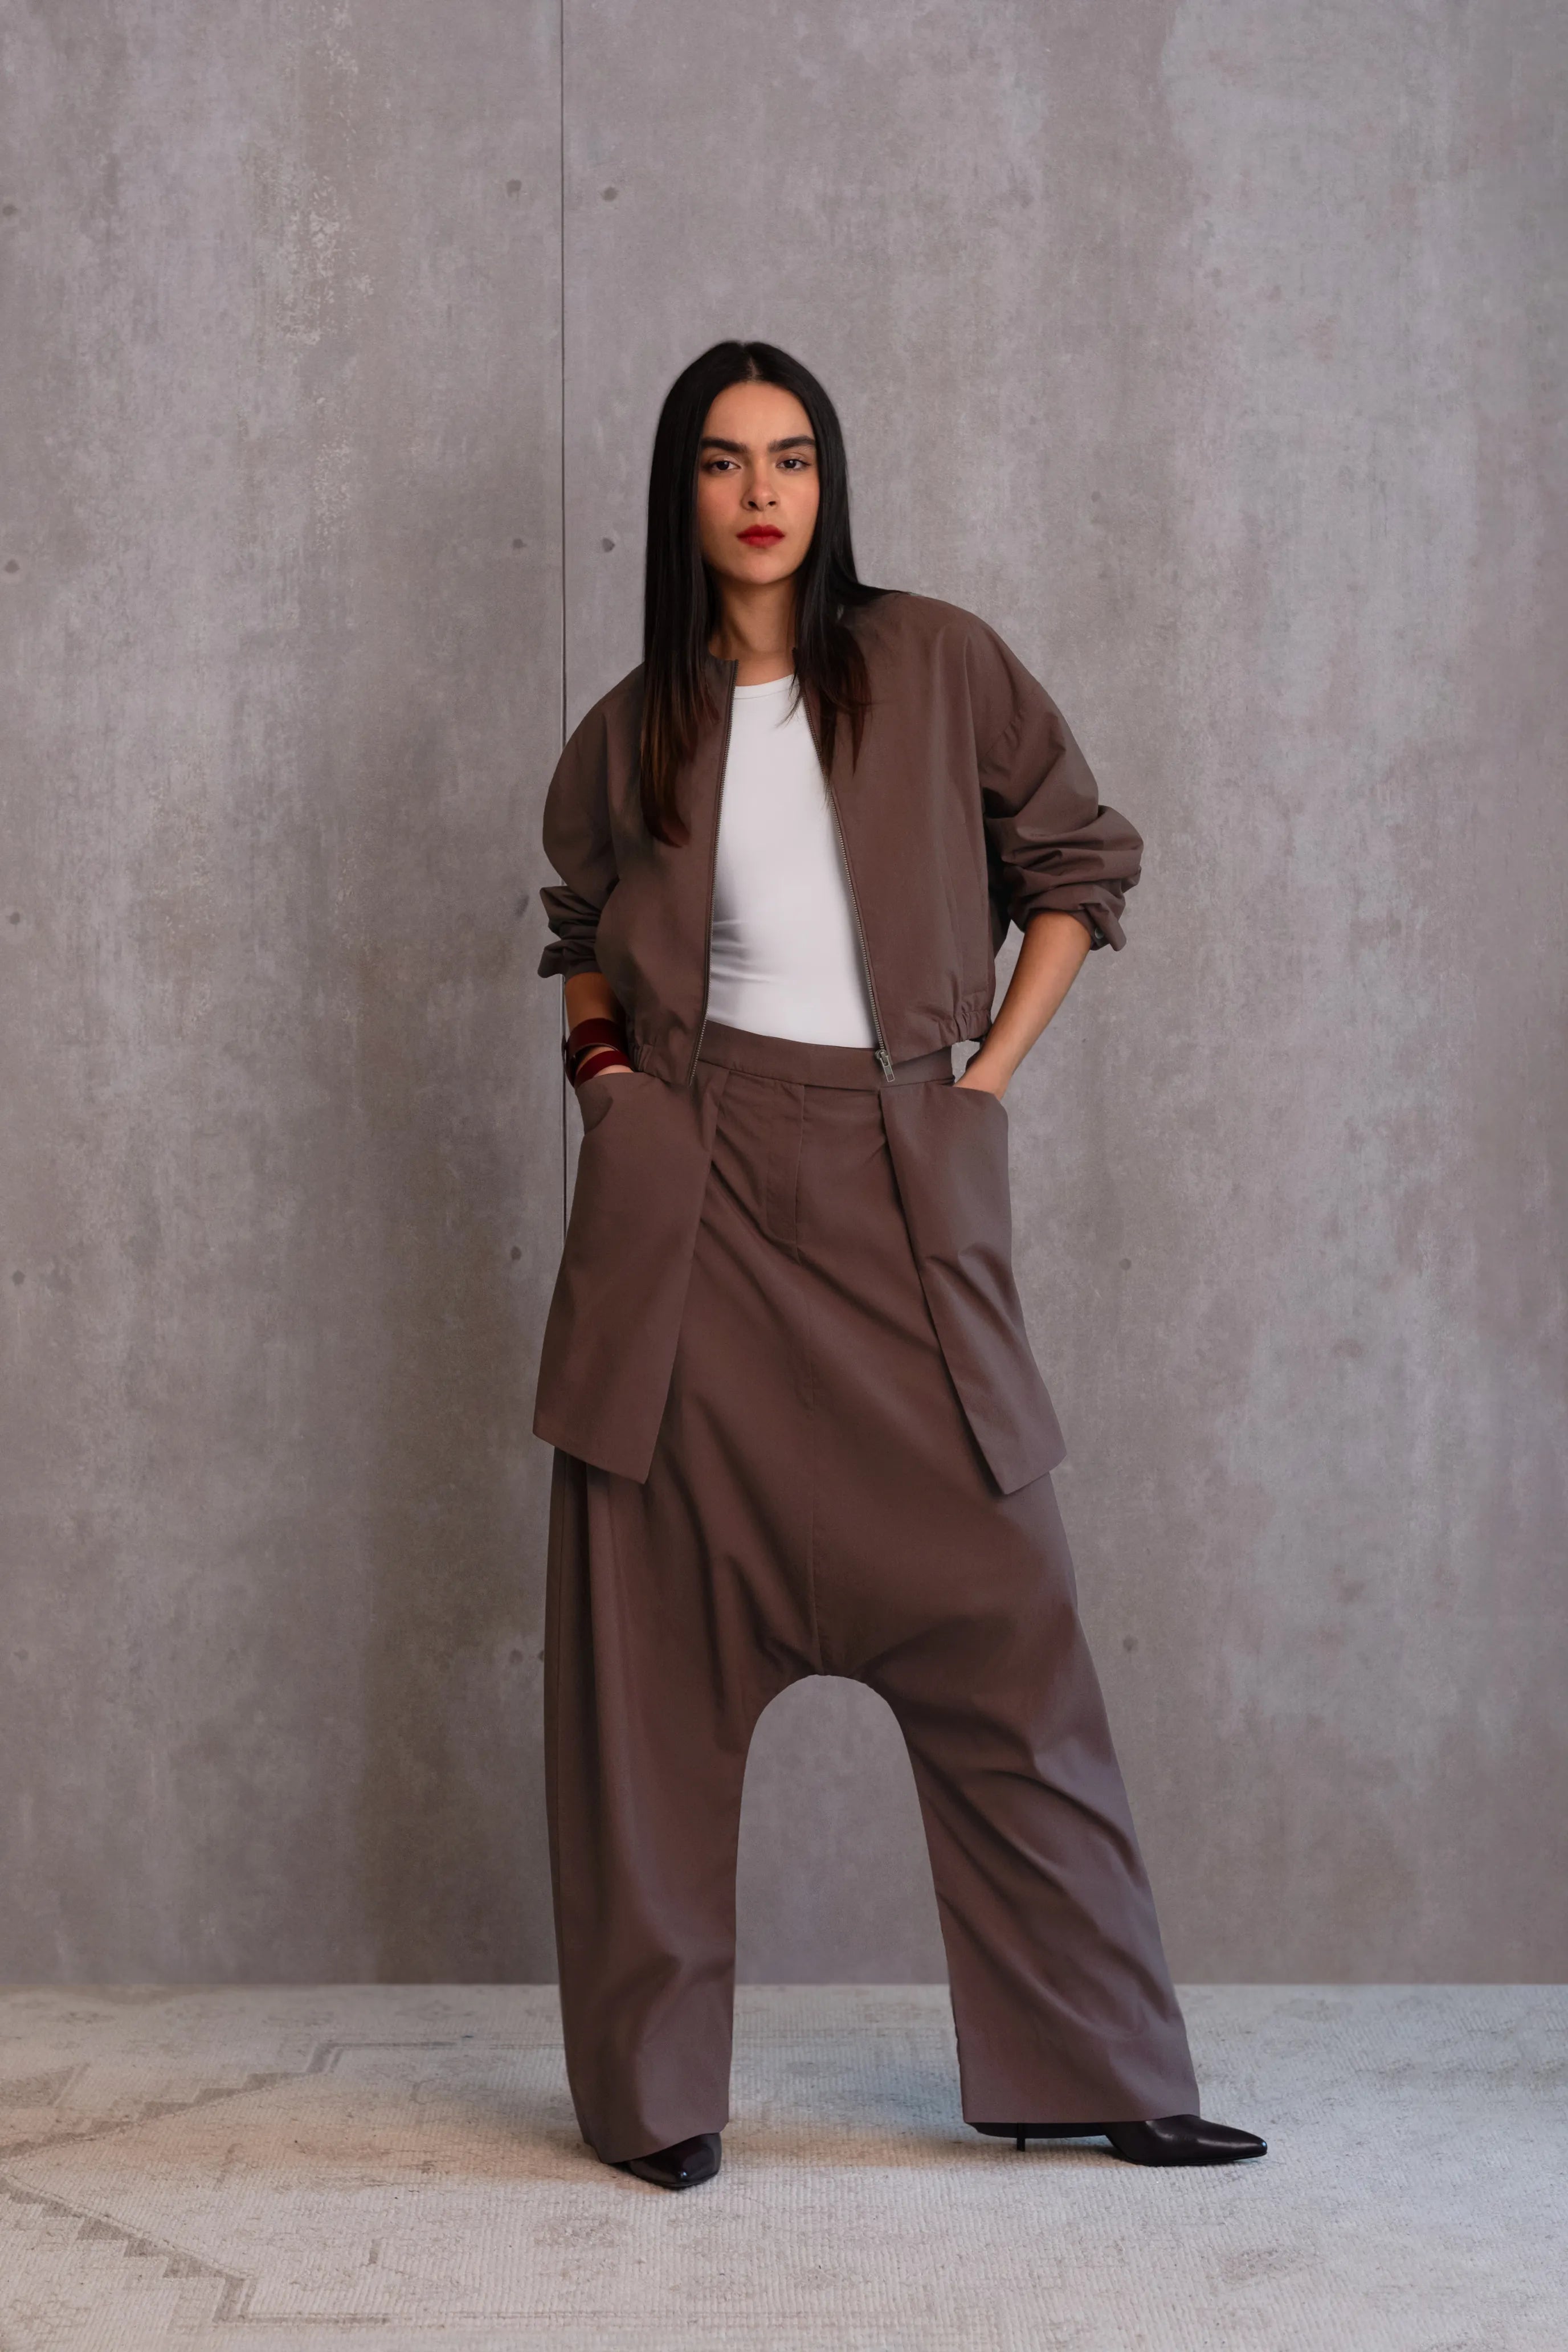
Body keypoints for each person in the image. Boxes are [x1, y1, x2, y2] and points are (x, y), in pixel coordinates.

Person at [534, 340, 1266, 2192]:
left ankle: (1092, 2066)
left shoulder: (938, 665)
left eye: (791, 457)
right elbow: (580, 927)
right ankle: (654, 2100)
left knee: (1008, 1621)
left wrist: (981, 1087)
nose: (761, 493)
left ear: (829, 480)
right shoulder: (633, 726)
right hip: (686, 1207)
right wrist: (611, 1088)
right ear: (681, 494)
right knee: (649, 1658)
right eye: (723, 461)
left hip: (897, 1178)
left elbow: (1079, 864)